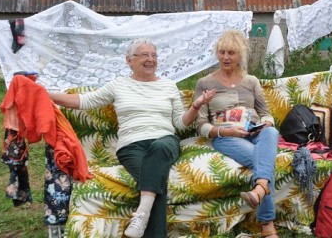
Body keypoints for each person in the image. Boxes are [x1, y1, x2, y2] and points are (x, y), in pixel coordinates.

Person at [48, 39, 216, 238]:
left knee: (160, 149)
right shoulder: (118, 85)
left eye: (154, 55)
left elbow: (180, 123)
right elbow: (85, 101)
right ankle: (146, 217)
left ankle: (141, 214)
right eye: (144, 55)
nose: (150, 59)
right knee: (154, 183)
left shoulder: (168, 86)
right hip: (131, 146)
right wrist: (46, 94)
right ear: (129, 60)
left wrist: (195, 106)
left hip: (165, 141)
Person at [193, 29, 280, 238]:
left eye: (231, 53)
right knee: (263, 162)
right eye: (222, 52)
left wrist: (266, 123)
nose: (225, 57)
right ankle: (268, 226)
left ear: (240, 55)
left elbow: (265, 113)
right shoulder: (205, 83)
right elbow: (201, 124)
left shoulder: (251, 81)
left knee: (272, 133)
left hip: (254, 130)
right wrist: (224, 130)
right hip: (227, 135)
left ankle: (258, 190)